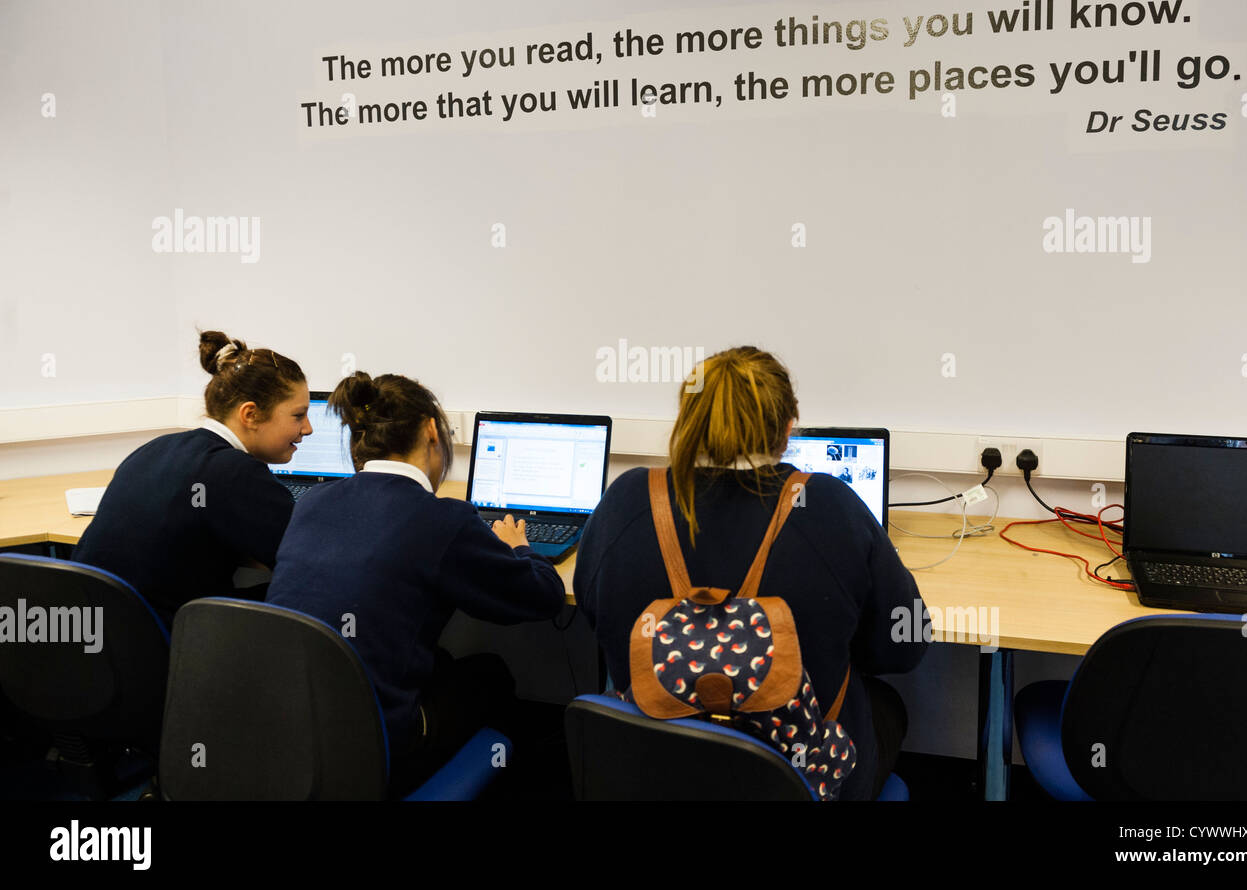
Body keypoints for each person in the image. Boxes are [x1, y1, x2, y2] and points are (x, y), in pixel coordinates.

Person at [574, 345, 927, 800]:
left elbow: (594, 616)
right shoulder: (830, 505)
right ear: (787, 427)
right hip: (796, 778)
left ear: (689, 422)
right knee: (887, 707)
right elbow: (905, 647)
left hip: (655, 771)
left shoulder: (624, 500)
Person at [265, 372, 565, 795]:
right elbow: (545, 597)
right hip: (376, 749)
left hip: (285, 732)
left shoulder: (313, 502)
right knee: (492, 674)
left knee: (437, 659)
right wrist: (520, 548)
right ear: (430, 430)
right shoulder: (441, 518)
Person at [74, 331, 307, 627]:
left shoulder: (156, 448)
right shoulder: (234, 471)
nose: (308, 428)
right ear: (250, 414)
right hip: (160, 643)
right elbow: (305, 556)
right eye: (298, 416)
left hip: (95, 637)